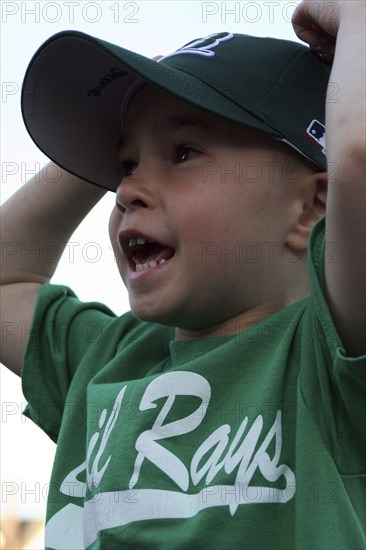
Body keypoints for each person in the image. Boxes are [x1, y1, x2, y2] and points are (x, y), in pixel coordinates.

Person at [1, 0, 365, 548]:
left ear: (312, 208)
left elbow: (356, 155)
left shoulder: (329, 354)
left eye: (184, 151)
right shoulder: (111, 359)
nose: (125, 190)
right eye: (123, 164)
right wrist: (113, 127)